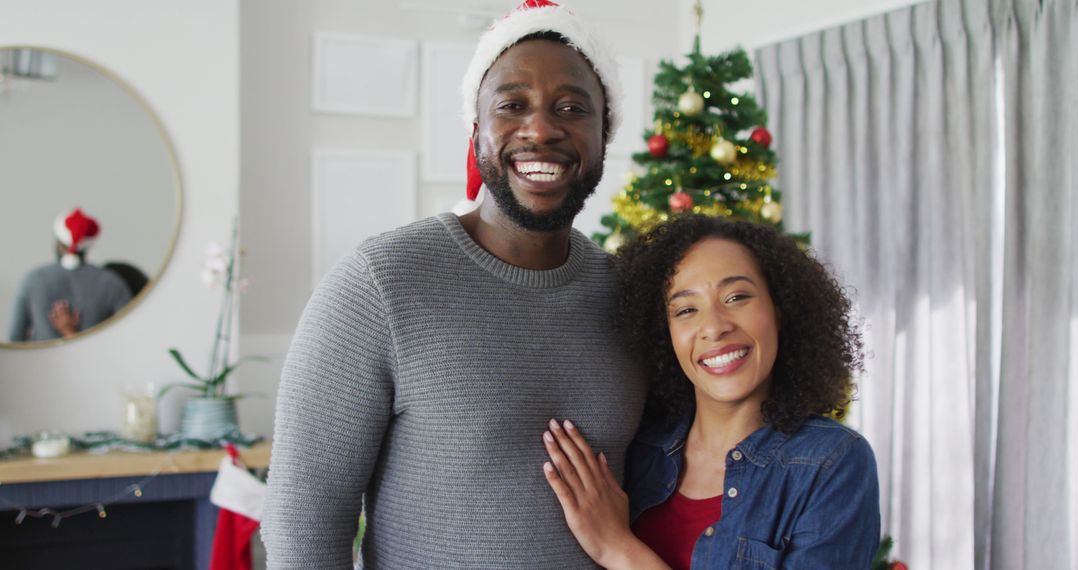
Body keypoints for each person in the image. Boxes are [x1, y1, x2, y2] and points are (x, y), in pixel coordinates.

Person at [261, 1, 647, 568]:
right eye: (512, 105)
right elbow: (303, 525)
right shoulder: (380, 283)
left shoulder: (625, 295)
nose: (540, 128)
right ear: (477, 129)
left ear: (603, 132)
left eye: (571, 107)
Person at [541, 215, 881, 569]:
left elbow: (615, 549)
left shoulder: (832, 462)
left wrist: (618, 549)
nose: (715, 327)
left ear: (779, 311)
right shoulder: (641, 446)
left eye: (737, 297)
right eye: (686, 309)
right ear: (665, 334)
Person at [7, 208, 132, 342]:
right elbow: (129, 336)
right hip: (93, 361)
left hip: (41, 363)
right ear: (88, 247)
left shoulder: (33, 280)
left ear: (58, 244)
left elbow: (14, 338)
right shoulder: (111, 283)